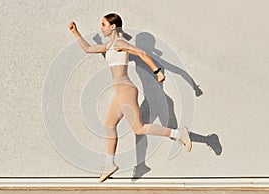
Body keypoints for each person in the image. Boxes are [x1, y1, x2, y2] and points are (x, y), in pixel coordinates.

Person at [69, 13, 191, 183]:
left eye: (103, 24)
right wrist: (76, 32)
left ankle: (179, 134)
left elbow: (140, 52)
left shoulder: (119, 43)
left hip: (126, 91)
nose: (101, 27)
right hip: (120, 93)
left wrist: (157, 71)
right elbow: (88, 49)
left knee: (139, 129)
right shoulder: (110, 45)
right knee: (109, 125)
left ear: (113, 26)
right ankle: (109, 164)